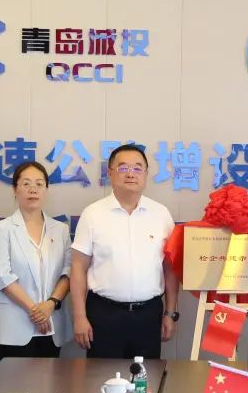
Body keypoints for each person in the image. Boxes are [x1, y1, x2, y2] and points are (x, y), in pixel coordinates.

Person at [69, 144, 177, 359]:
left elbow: (169, 267)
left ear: (146, 174)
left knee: (146, 376)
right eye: (123, 168)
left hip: (148, 315)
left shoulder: (161, 214)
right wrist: (79, 316)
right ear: (110, 173)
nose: (130, 174)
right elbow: (78, 267)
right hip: (103, 314)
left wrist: (170, 313)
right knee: (101, 377)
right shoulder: (93, 214)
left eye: (137, 168)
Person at [0, 161, 72, 361]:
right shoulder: (3, 229)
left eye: (39, 184)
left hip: (52, 324)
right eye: (26, 183)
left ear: (46, 189)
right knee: (12, 381)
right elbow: (2, 276)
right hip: (13, 327)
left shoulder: (60, 230)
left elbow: (68, 271)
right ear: (15, 189)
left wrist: (50, 304)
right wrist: (36, 311)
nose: (33, 189)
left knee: (50, 380)